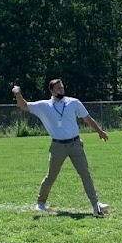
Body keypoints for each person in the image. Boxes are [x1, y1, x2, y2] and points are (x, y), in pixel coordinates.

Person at [13, 79, 109, 216]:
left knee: (85, 174)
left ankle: (96, 205)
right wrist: (18, 94)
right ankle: (40, 203)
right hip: (58, 146)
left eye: (62, 88)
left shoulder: (73, 102)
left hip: (75, 144)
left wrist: (100, 131)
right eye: (58, 88)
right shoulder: (44, 106)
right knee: (51, 176)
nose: (61, 90)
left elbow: (87, 118)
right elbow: (23, 106)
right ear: (51, 91)